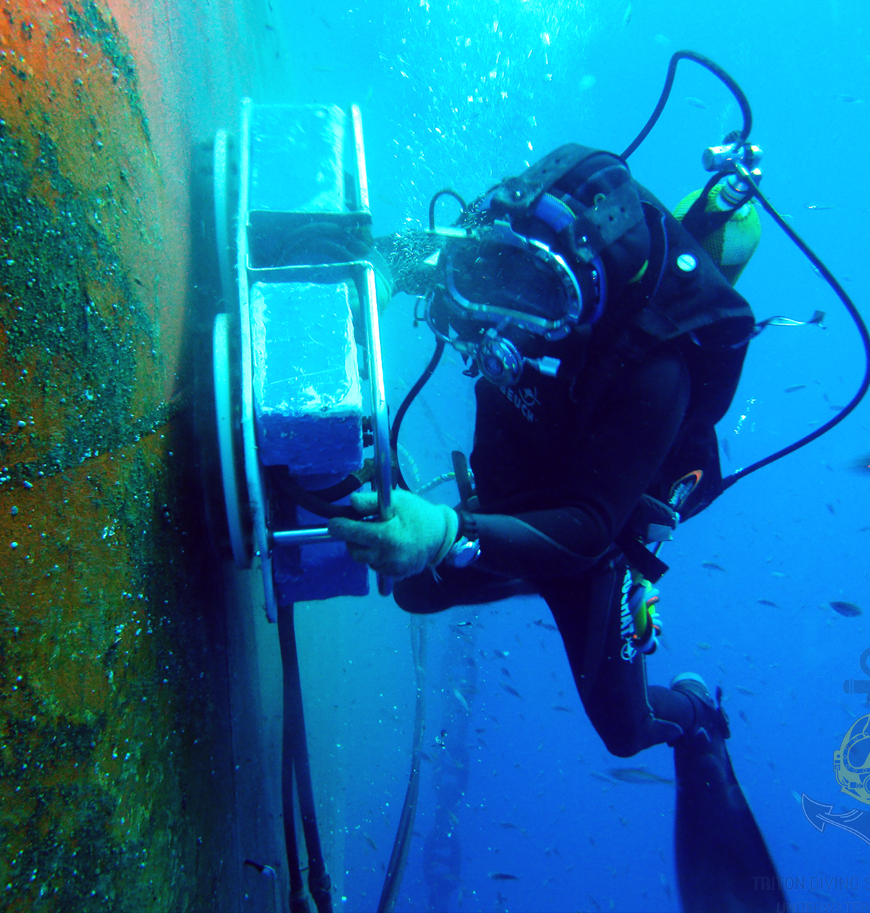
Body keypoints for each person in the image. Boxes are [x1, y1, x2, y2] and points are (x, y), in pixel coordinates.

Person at [328, 144, 785, 911]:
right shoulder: (504, 259)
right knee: (413, 594)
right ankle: (496, 550)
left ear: (589, 292)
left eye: (542, 296)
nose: (510, 309)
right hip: (515, 491)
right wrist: (340, 251)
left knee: (624, 725)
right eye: (500, 271)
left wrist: (443, 528)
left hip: (592, 540)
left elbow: (589, 525)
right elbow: (407, 256)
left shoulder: (656, 373)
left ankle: (700, 721)